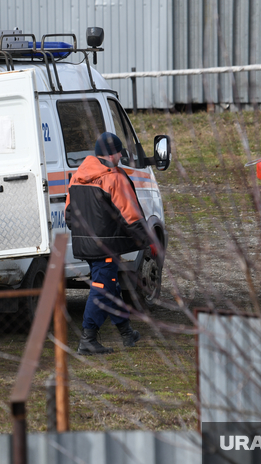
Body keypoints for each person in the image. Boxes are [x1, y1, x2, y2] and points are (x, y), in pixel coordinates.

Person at [65, 132, 156, 355]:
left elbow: (68, 214)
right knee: (102, 288)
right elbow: (130, 215)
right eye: (119, 153)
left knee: (111, 285)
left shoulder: (78, 175)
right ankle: (88, 338)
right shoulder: (113, 177)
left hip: (85, 244)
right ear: (113, 154)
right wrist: (147, 241)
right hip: (105, 245)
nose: (120, 157)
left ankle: (126, 332)